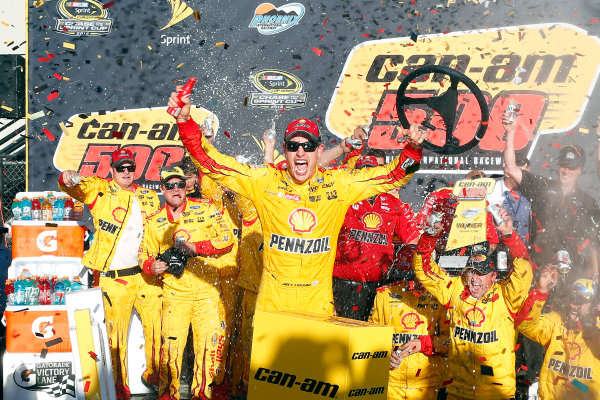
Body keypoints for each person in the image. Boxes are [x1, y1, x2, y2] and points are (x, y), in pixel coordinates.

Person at [168, 87, 425, 316]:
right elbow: (211, 163)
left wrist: (413, 149)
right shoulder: (266, 181)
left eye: (308, 145)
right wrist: (184, 121)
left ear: (319, 151)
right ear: (285, 149)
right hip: (273, 307)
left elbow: (393, 176)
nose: (301, 152)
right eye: (293, 146)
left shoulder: (338, 185)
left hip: (316, 306)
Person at [58, 149, 161, 399]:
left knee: (159, 327)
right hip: (115, 278)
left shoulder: (148, 196)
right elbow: (71, 187)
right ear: (112, 170)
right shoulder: (100, 190)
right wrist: (67, 178)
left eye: (130, 168)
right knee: (116, 337)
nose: (126, 172)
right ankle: (120, 387)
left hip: (147, 276)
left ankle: (154, 374)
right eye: (121, 168)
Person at [413, 209, 533, 399]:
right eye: (470, 271)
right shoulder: (455, 290)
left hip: (496, 393)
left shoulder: (507, 295)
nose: (474, 279)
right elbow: (424, 269)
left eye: (481, 273)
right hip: (459, 391)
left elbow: (523, 270)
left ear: (494, 276)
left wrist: (509, 236)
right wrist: (430, 236)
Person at [138, 166, 235, 400]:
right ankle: (168, 395)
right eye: (170, 185)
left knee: (207, 350)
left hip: (207, 294)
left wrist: (195, 248)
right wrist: (153, 266)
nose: (176, 189)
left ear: (186, 186)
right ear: (162, 189)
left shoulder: (207, 208)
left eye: (180, 184)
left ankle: (202, 395)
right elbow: (143, 255)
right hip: (174, 295)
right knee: (170, 350)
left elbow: (227, 240)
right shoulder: (155, 221)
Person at [504, 111, 600, 280]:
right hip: (538, 268)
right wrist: (510, 132)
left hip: (572, 273)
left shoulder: (587, 202)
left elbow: (593, 242)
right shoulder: (542, 186)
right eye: (563, 165)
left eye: (571, 166)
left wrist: (597, 273)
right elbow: (511, 168)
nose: (566, 170)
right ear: (558, 166)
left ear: (579, 170)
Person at [333, 154, 420, 320]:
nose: (367, 178)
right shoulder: (341, 199)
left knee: (370, 337)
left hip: (378, 286)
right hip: (342, 283)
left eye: (371, 173)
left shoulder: (394, 204)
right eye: (362, 173)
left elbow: (411, 241)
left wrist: (415, 271)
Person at [515, 266, 600, 399]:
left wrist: (580, 387)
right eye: (572, 298)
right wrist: (541, 291)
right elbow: (525, 325)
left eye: (579, 300)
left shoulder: (597, 333)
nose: (573, 305)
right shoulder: (556, 321)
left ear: (594, 305)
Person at [369, 278, 449, 400]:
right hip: (391, 382)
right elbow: (371, 335)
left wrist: (424, 344)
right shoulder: (385, 293)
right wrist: (384, 353)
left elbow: (451, 342)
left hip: (427, 384)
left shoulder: (441, 296)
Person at [487, 155, 532, 245]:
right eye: (521, 174)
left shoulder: (532, 192)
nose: (525, 178)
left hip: (524, 248)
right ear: (507, 173)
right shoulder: (489, 191)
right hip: (496, 245)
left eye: (528, 175)